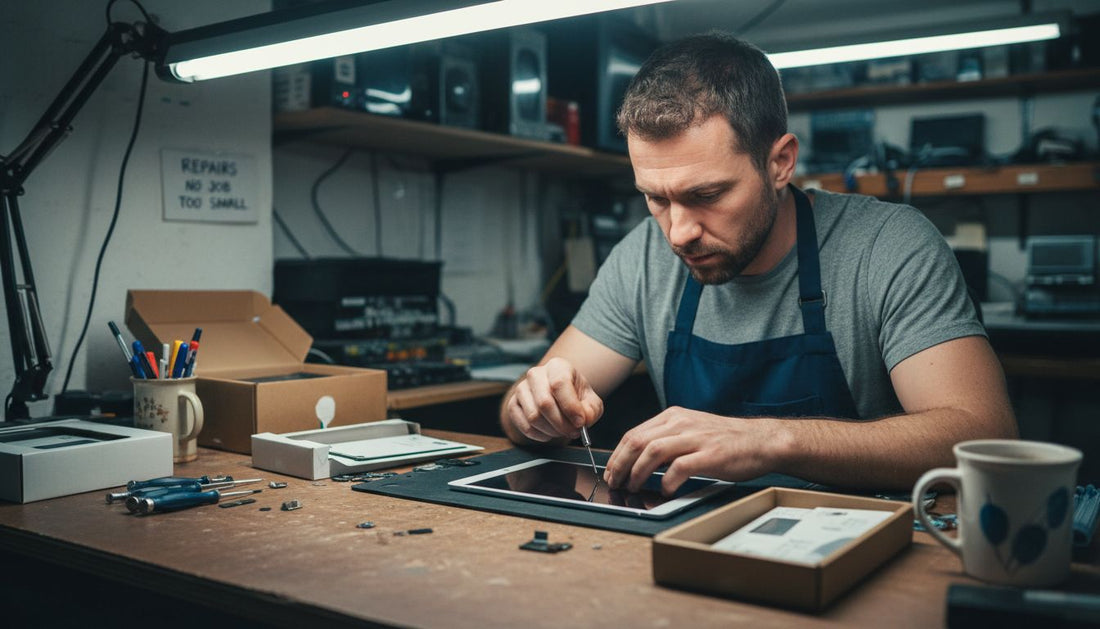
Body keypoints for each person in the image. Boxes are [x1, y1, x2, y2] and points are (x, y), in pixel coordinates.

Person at [499, 32, 1017, 495]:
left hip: (860, 548)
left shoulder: (889, 247)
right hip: (695, 544)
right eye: (655, 198)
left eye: (706, 194)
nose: (678, 232)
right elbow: (519, 411)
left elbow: (985, 438)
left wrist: (773, 441)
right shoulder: (642, 257)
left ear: (780, 163)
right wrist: (532, 409)